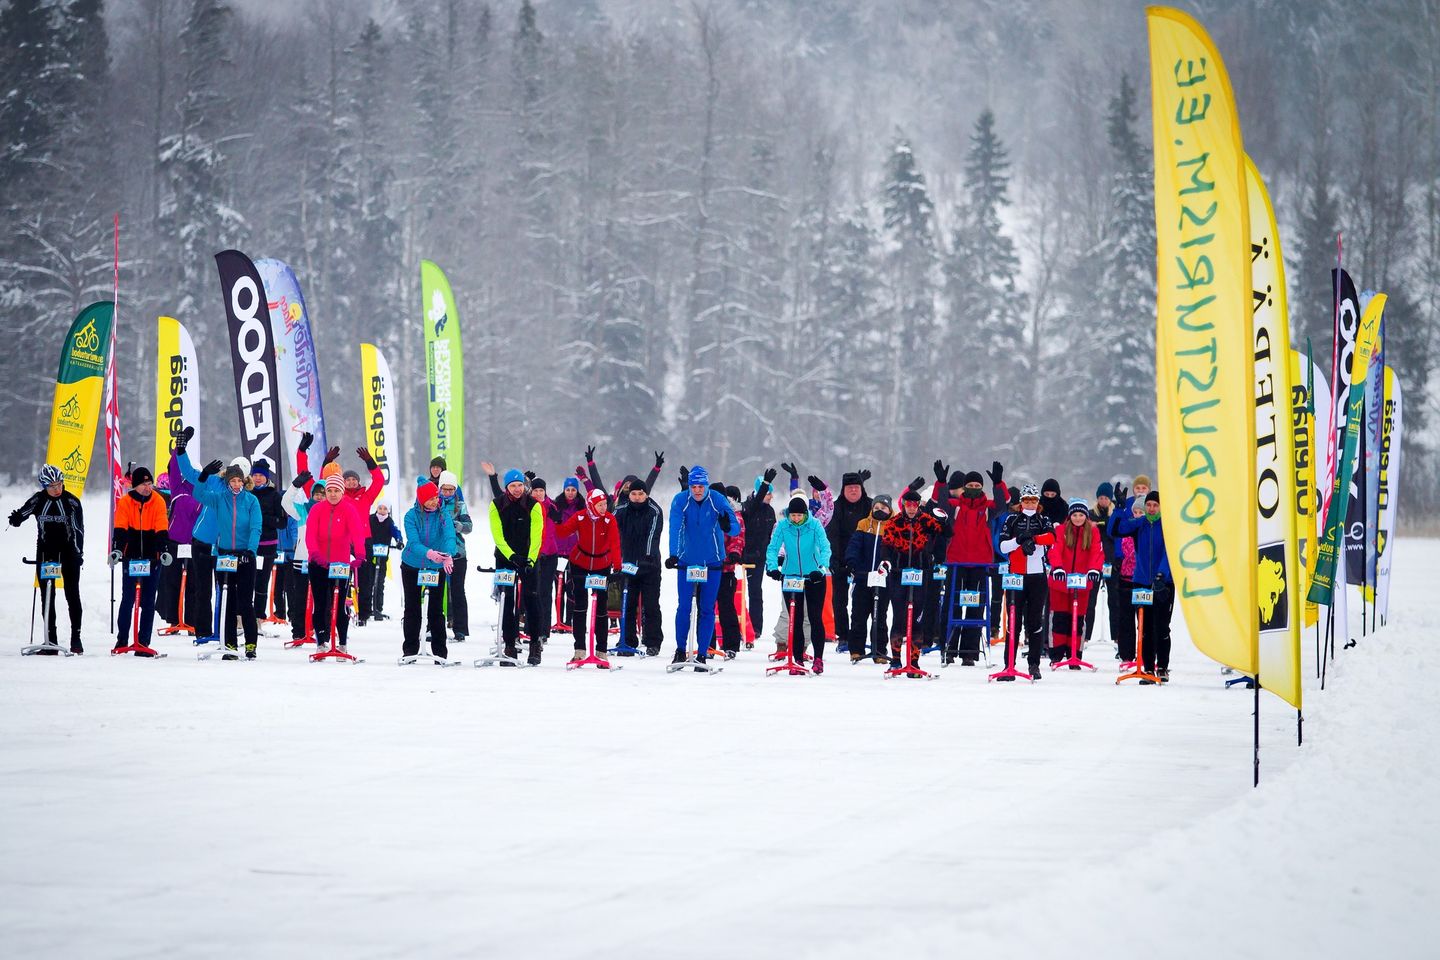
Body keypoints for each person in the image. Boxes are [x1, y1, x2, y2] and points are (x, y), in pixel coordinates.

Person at [932, 461, 1009, 665]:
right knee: (953, 605)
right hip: (956, 562)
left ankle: (970, 652)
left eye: (977, 486)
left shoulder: (988, 508)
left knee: (976, 607)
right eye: (971, 486)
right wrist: (941, 482)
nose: (974, 489)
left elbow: (1003, 505)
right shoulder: (955, 506)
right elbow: (940, 504)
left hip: (980, 563)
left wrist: (999, 483)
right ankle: (948, 648)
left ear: (982, 488)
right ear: (965, 487)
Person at [187, 456, 262, 659]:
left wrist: (250, 551)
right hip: (225, 555)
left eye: (239, 481)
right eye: (232, 481)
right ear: (228, 482)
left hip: (246, 556)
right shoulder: (220, 500)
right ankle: (229, 643)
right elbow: (198, 493)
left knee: (245, 602)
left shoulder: (252, 501)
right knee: (227, 601)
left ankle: (250, 644)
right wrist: (203, 475)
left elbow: (256, 528)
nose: (236, 484)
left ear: (244, 481)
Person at [666, 465, 738, 667]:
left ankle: (703, 653)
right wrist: (673, 554)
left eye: (701, 486)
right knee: (684, 607)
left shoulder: (717, 499)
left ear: (707, 485)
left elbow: (735, 528)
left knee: (707, 609)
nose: (697, 490)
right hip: (687, 560)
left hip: (712, 561)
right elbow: (675, 527)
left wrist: (726, 526)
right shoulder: (681, 500)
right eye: (693, 486)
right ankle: (680, 650)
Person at [9, 466, 85, 653]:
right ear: (44, 486)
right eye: (51, 486)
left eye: (59, 484)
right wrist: (16, 519)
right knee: (47, 596)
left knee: (72, 594)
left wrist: (78, 553)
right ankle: (50, 640)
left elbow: (79, 530)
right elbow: (23, 513)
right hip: (46, 551)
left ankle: (76, 638)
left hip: (68, 551)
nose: (57, 489)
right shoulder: (39, 499)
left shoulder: (71, 502)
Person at [879, 482, 949, 671]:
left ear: (918, 505)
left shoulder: (926, 520)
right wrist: (886, 561)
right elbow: (885, 545)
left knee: (917, 618)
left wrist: (943, 520)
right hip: (899, 574)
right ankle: (895, 659)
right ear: (903, 505)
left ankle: (915, 660)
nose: (911, 508)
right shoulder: (895, 522)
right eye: (907, 504)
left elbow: (947, 534)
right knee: (899, 618)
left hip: (921, 573)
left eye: (914, 505)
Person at [553, 487, 623, 662]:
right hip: (580, 563)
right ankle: (579, 649)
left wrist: (617, 566)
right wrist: (556, 520)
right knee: (580, 605)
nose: (603, 508)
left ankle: (601, 650)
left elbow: (615, 543)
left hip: (602, 564)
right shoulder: (580, 516)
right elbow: (562, 533)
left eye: (605, 504)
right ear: (591, 505)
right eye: (599, 505)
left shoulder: (609, 519)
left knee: (601, 607)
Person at [484, 463, 544, 664]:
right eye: (513, 486)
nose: (517, 489)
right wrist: (511, 556)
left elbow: (537, 536)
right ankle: (509, 644)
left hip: (528, 558)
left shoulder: (534, 505)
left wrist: (530, 559)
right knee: (507, 600)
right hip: (505, 557)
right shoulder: (496, 504)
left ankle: (535, 644)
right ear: (506, 487)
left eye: (520, 485)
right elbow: (497, 536)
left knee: (531, 600)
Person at [1110, 489, 1173, 682]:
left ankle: (1162, 667)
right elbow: (1115, 530)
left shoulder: (1169, 526)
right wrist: (1119, 509)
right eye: (1149, 505)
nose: (1152, 508)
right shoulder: (1140, 524)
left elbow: (1169, 554)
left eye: (1155, 505)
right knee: (1144, 627)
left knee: (1162, 627)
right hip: (1142, 581)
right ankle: (1147, 668)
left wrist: (1162, 574)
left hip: (1164, 582)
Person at [765, 492, 832, 672]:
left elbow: (825, 548)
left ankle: (818, 658)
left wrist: (821, 568)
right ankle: (797, 660)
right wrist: (772, 567)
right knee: (795, 618)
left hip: (814, 577)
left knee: (815, 617)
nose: (795, 519)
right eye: (793, 515)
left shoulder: (815, 525)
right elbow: (772, 548)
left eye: (799, 515)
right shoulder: (782, 526)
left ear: (805, 514)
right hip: (791, 576)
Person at [997, 482, 1057, 679]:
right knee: (1013, 622)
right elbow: (1002, 546)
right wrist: (1018, 540)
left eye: (1033, 500)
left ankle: (1034, 664)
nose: (1030, 503)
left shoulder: (1043, 519)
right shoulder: (1012, 519)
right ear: (1021, 502)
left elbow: (1052, 538)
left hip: (1037, 576)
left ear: (1038, 501)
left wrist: (1034, 539)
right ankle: (1009, 665)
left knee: (1034, 622)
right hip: (1016, 575)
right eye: (1026, 500)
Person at [110, 466, 170, 655]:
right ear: (135, 486)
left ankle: (143, 642)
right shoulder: (126, 502)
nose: (147, 487)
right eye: (143, 484)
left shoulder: (158, 501)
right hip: (131, 557)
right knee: (127, 599)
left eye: (149, 483)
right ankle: (122, 640)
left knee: (148, 601)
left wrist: (164, 550)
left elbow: (162, 528)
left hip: (152, 558)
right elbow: (120, 528)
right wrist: (117, 550)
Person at [305, 474, 368, 651]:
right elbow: (310, 535)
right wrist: (315, 554)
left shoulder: (348, 509)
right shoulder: (317, 509)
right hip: (318, 563)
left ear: (342, 492)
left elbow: (357, 534)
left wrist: (360, 555)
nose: (333, 494)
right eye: (329, 491)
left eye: (336, 491)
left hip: (340, 564)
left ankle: (342, 644)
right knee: (321, 604)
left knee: (339, 605)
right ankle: (321, 642)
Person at [1045, 498, 1105, 665]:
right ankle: (1056, 654)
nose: (1078, 518)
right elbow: (1055, 549)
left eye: (1081, 515)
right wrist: (1057, 567)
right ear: (1070, 515)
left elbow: (1097, 552)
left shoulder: (1093, 532)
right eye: (1075, 515)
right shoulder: (1061, 530)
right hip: (1061, 583)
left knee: (1078, 619)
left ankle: (1075, 654)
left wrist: (1094, 569)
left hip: (1082, 583)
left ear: (1086, 516)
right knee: (1059, 619)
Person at [401, 480, 456, 660]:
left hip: (436, 566)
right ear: (421, 499)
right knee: (412, 608)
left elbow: (449, 537)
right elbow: (413, 542)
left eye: (436, 498)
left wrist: (448, 554)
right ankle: (410, 649)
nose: (434, 502)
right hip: (412, 564)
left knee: (436, 609)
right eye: (430, 499)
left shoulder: (443, 515)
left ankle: (440, 652)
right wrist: (429, 553)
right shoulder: (410, 516)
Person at [613, 471, 666, 656]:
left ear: (646, 494)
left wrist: (648, 557)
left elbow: (654, 534)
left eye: (640, 494)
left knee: (651, 605)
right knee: (627, 603)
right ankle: (627, 640)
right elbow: (613, 534)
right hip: (627, 564)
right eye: (634, 494)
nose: (637, 497)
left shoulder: (654, 510)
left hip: (649, 565)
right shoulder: (620, 510)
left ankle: (653, 641)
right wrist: (616, 557)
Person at [825, 469, 872, 653]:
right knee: (839, 601)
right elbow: (832, 536)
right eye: (850, 487)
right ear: (844, 489)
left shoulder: (869, 506)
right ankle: (843, 636)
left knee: (862, 603)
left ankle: (859, 636)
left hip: (865, 562)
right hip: (841, 560)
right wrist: (834, 560)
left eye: (856, 487)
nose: (853, 491)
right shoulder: (836, 508)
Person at [845, 494, 893, 663]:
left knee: (880, 616)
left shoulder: (894, 526)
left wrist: (888, 566)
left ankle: (879, 650)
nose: (880, 511)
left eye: (883, 508)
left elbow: (895, 551)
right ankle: (856, 650)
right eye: (877, 508)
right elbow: (854, 546)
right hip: (863, 577)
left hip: (882, 578)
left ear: (890, 509)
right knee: (858, 615)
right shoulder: (864, 524)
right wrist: (852, 563)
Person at [281, 469, 324, 645]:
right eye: (317, 494)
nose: (320, 497)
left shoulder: (330, 511)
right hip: (301, 559)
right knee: (299, 597)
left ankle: (319, 631)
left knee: (321, 598)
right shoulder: (302, 510)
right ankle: (298, 632)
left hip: (321, 561)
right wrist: (296, 485)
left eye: (323, 494)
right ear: (312, 495)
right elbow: (285, 502)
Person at [739, 468, 778, 638]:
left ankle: (755, 627)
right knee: (739, 592)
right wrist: (765, 485)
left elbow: (773, 536)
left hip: (759, 557)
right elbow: (754, 504)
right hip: (743, 556)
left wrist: (772, 559)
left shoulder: (770, 511)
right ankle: (737, 624)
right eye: (768, 494)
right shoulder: (748, 506)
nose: (771, 497)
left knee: (756, 592)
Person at [436, 470, 472, 642]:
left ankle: (461, 629)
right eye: (445, 489)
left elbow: (469, 526)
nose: (448, 493)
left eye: (451, 489)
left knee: (457, 591)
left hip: (458, 553)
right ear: (440, 488)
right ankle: (433, 627)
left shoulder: (460, 505)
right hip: (438, 553)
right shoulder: (434, 503)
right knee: (436, 591)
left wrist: (457, 525)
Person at [715, 485, 747, 657]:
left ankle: (731, 645)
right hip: (707, 569)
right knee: (705, 608)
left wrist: (734, 553)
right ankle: (707, 644)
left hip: (725, 569)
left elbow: (737, 537)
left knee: (726, 607)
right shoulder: (707, 513)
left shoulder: (733, 516)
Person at [1087, 482, 1117, 644]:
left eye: (1106, 498)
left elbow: (1116, 534)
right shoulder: (1091, 514)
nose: (1103, 500)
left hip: (1111, 561)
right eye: (1100, 497)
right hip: (1095, 562)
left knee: (1114, 601)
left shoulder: (1115, 514)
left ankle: (1116, 636)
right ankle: (1086, 636)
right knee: (1091, 601)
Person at [363, 502, 403, 621]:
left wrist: (399, 541)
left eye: (384, 508)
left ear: (388, 511)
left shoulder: (389, 522)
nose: (382, 511)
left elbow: (396, 532)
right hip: (370, 554)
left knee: (380, 582)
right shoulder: (370, 519)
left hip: (382, 555)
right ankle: (367, 608)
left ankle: (378, 608)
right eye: (380, 508)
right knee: (369, 581)